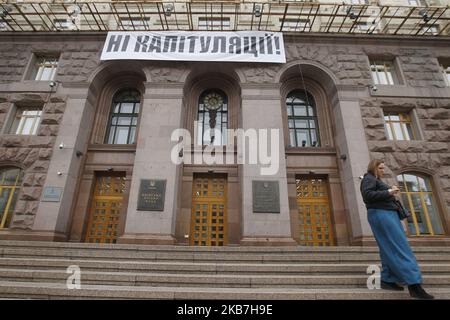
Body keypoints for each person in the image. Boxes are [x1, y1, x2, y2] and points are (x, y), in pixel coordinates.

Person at [360, 159, 434, 299]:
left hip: (384, 214)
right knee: (400, 247)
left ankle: (388, 279)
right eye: (381, 168)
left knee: (388, 247)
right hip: (382, 214)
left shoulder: (373, 179)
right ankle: (414, 285)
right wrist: (389, 191)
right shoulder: (368, 178)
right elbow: (367, 196)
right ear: (374, 168)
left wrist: (389, 191)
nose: (383, 170)